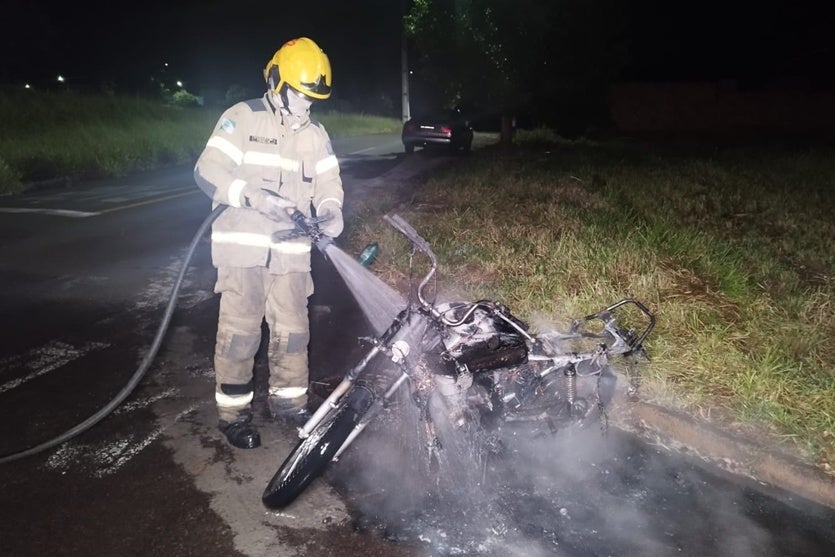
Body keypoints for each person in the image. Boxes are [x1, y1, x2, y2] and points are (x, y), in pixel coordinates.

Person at [194, 37, 344, 449]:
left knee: (294, 334)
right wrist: (251, 195)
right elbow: (207, 170)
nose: (306, 105)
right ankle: (233, 415)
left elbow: (330, 182)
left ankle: (289, 407)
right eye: (300, 95)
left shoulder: (315, 134)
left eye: (313, 99)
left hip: (292, 256)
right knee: (241, 335)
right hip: (243, 252)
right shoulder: (242, 118)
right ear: (278, 83)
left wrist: (332, 210)